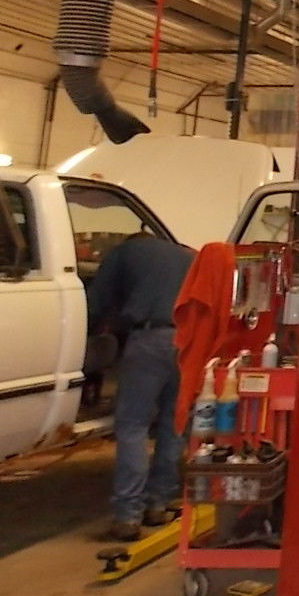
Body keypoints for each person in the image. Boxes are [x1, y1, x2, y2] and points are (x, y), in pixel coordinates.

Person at [87, 230, 195, 541]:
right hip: (187, 342)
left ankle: (127, 516)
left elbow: (99, 301)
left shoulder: (122, 254)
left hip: (148, 340)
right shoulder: (183, 254)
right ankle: (158, 504)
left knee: (132, 425)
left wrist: (92, 335)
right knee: (173, 424)